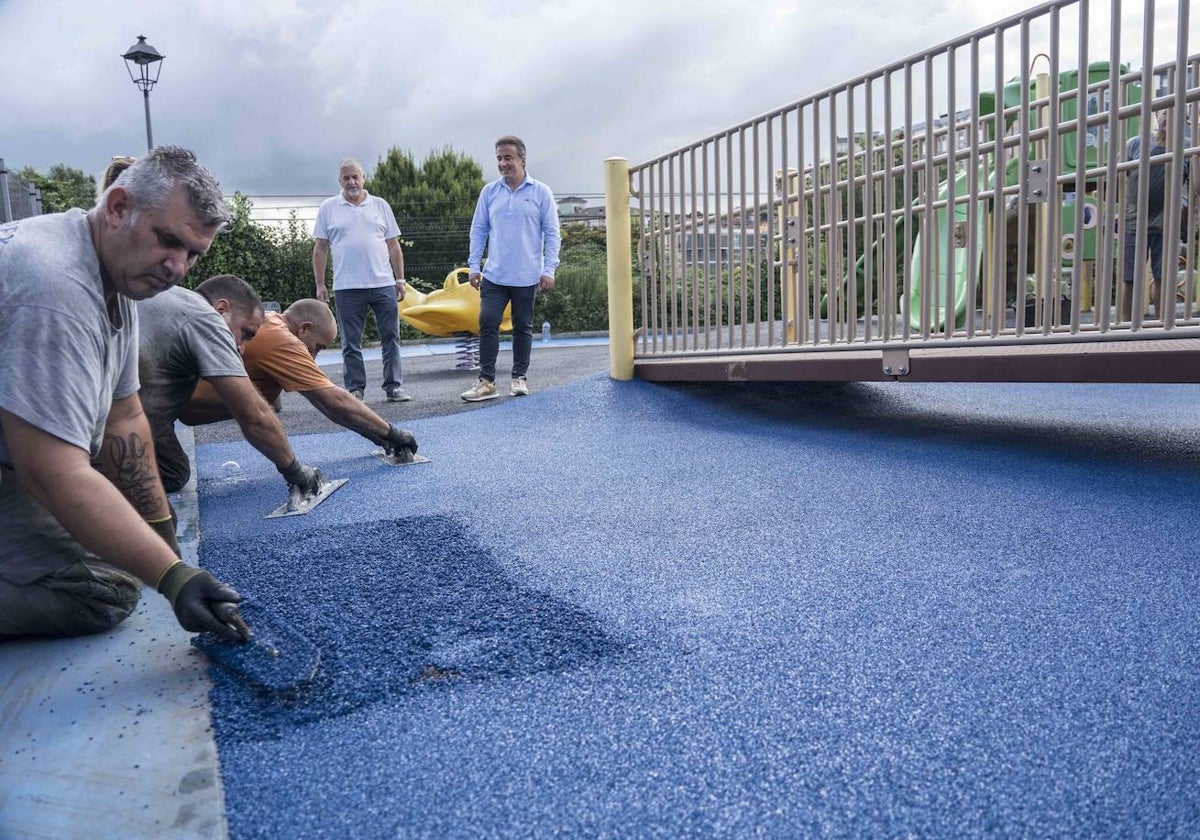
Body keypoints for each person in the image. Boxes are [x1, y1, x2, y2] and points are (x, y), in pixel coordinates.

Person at [0, 146, 248, 642]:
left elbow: (124, 416)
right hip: (26, 465)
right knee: (102, 589)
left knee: (130, 548)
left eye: (193, 254)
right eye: (168, 240)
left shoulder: (120, 275)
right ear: (117, 207)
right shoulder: (53, 288)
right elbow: (52, 473)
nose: (177, 267)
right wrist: (175, 578)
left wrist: (161, 534)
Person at [138, 274, 325, 501]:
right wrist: (295, 470)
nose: (241, 348)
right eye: (245, 334)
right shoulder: (206, 319)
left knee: (174, 472)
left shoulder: (169, 299)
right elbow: (253, 415)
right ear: (221, 309)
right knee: (155, 517)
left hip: (112, 400)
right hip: (98, 420)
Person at [180, 299, 418, 460]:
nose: (314, 357)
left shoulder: (271, 321)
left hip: (173, 404)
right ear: (304, 328)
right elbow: (334, 400)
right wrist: (392, 433)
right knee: (173, 477)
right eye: (318, 347)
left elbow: (327, 406)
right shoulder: (283, 340)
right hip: (166, 408)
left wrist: (372, 432)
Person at [461, 135, 561, 402]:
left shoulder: (541, 192)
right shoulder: (489, 192)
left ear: (522, 159)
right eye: (499, 158)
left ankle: (519, 378)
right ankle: (486, 382)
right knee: (487, 322)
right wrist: (473, 266)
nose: (503, 163)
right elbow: (478, 230)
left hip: (528, 275)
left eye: (508, 158)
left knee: (522, 327)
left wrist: (549, 268)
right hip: (494, 275)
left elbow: (552, 233)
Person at [312, 157, 411, 403]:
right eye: (346, 178)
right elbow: (320, 248)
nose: (351, 181)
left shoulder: (380, 206)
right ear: (340, 181)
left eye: (355, 176)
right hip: (347, 287)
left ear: (363, 178)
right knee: (351, 342)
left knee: (391, 337)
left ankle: (394, 387)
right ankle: (356, 389)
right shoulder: (328, 208)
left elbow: (394, 246)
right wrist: (320, 284)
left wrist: (400, 280)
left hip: (383, 284)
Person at [1121, 111, 1189, 321]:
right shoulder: (1135, 143)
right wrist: (1119, 209)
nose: (1169, 117)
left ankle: (1161, 324)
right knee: (1129, 278)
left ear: (1184, 119)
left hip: (1166, 223)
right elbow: (1117, 176)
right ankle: (1125, 325)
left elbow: (1193, 182)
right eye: (1165, 112)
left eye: (1175, 112)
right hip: (1134, 222)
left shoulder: (1187, 146)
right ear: (1157, 116)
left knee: (1163, 277)